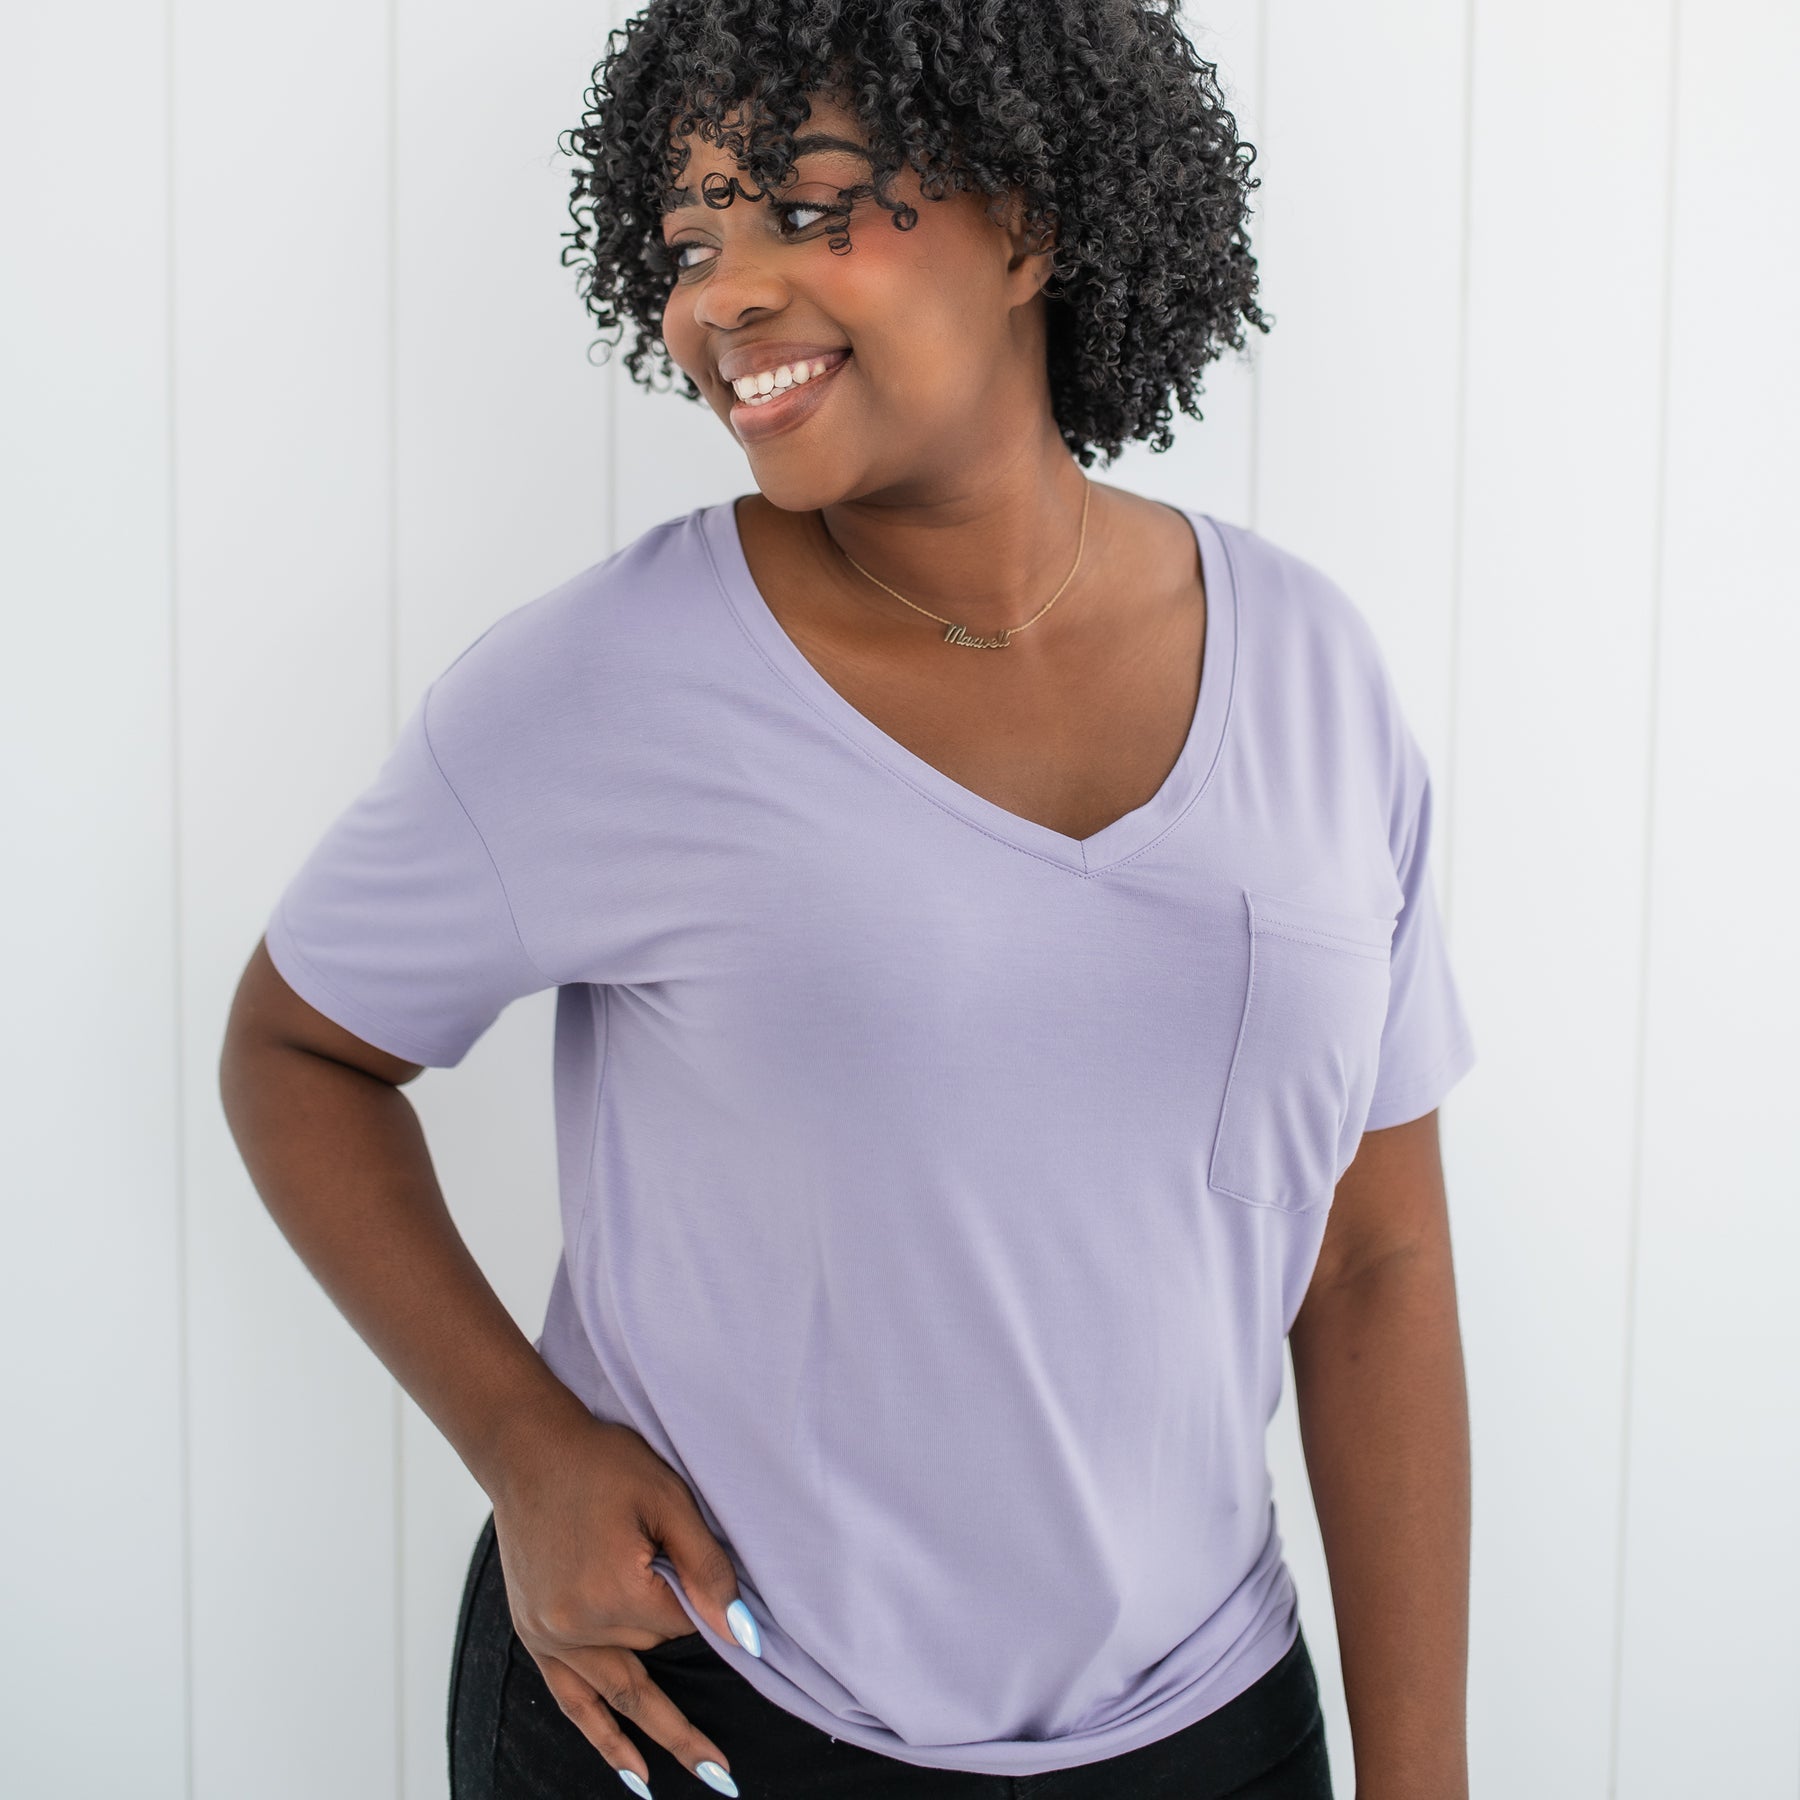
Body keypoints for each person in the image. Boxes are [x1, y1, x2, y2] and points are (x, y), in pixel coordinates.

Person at [220, 3, 1478, 1796]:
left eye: (808, 209)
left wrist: (1420, 1775)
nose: (722, 293)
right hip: (711, 1706)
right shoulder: (612, 686)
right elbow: (295, 1046)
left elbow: (1374, 1259)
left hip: (1207, 1721)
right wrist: (529, 1449)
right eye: (689, 235)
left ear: (1033, 222)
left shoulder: (1311, 673)